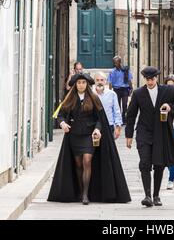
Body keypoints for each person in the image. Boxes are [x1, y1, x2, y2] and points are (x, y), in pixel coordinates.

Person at [47, 73, 131, 205]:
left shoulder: (93, 98)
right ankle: (80, 191)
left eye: (83, 83)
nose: (81, 85)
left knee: (87, 160)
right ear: (76, 85)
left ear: (87, 84)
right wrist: (62, 123)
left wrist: (98, 129)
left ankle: (85, 194)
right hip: (74, 135)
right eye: (79, 83)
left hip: (89, 135)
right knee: (78, 164)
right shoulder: (69, 98)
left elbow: (100, 118)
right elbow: (60, 115)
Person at [125, 66, 174, 208]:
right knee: (144, 163)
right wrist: (129, 135)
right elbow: (131, 115)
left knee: (159, 164)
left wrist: (169, 106)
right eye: (148, 79)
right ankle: (147, 196)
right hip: (144, 132)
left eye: (152, 79)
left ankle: (156, 195)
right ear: (145, 79)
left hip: (160, 132)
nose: (150, 82)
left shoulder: (166, 91)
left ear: (156, 78)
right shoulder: (138, 93)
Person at [94, 72, 123, 139]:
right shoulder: (91, 94)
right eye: (97, 80)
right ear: (94, 81)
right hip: (94, 126)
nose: (99, 82)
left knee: (108, 149)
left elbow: (116, 111)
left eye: (102, 80)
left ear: (105, 81)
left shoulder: (112, 94)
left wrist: (118, 126)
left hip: (109, 125)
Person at [107, 56, 133, 125]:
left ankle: (124, 118)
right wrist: (110, 92)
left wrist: (131, 88)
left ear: (120, 62)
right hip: (116, 90)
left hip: (125, 89)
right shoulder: (112, 72)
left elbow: (129, 80)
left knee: (124, 105)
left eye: (117, 62)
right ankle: (118, 119)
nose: (115, 64)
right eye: (114, 63)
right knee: (117, 105)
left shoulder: (126, 70)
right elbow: (110, 82)